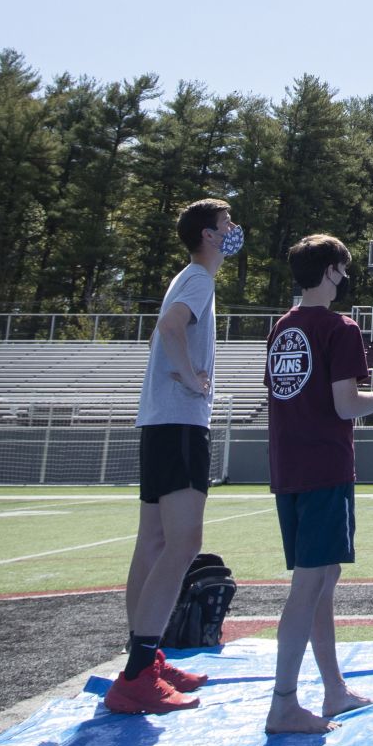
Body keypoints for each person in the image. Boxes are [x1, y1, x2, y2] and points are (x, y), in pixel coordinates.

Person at [264, 234, 373, 734]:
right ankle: (284, 702)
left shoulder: (281, 329)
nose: (345, 276)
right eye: (343, 268)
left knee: (322, 581)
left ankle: (332, 689)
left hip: (288, 467)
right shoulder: (340, 327)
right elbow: (347, 406)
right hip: (323, 467)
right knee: (309, 584)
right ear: (331, 270)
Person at [107, 197, 240, 714]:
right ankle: (139, 672)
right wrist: (190, 376)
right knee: (183, 542)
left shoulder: (189, 276)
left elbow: (166, 327)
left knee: (154, 541)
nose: (234, 231)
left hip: (161, 422)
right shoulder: (199, 280)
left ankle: (144, 658)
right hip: (179, 421)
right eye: (227, 223)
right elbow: (168, 327)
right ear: (209, 234)